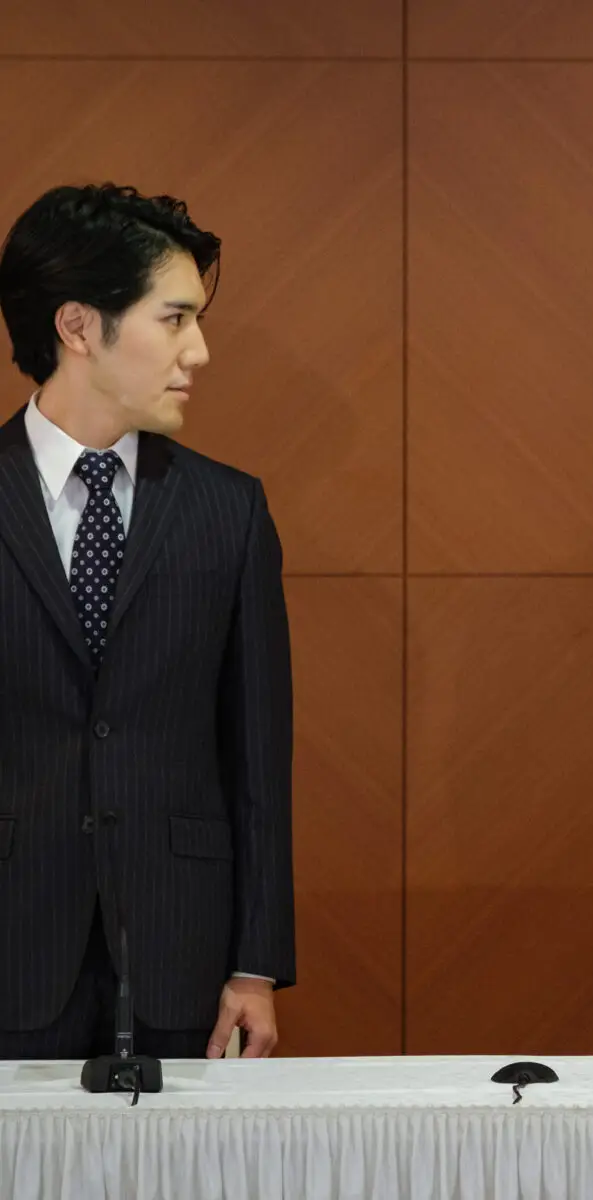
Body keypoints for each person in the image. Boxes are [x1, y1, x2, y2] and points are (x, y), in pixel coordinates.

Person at [0, 183, 294, 1060]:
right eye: (174, 320)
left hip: (183, 961)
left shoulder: (229, 511)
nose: (198, 351)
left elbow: (258, 758)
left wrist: (256, 965)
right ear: (79, 325)